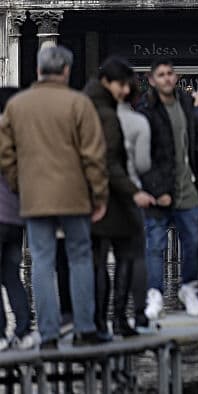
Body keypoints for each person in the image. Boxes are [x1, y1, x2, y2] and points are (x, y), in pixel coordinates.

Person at [0, 46, 108, 349]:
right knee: (80, 259)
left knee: (42, 263)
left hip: (34, 195)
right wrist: (98, 194)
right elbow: (93, 155)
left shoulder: (17, 106)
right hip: (74, 194)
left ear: (37, 70)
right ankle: (84, 328)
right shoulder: (79, 103)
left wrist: (18, 183)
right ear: (66, 71)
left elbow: (5, 153)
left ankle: (47, 333)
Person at [138, 59, 198, 320]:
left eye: (170, 74)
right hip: (159, 190)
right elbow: (144, 156)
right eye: (161, 74)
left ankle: (188, 287)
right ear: (151, 80)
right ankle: (155, 293)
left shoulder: (187, 106)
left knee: (193, 240)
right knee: (155, 244)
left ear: (177, 77)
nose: (167, 78)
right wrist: (154, 189)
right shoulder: (146, 110)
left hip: (188, 188)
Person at [86, 58, 154, 338]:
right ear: (108, 82)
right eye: (122, 85)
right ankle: (117, 319)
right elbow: (110, 161)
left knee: (97, 261)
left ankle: (99, 320)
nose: (126, 91)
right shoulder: (107, 114)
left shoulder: (85, 104)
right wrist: (133, 191)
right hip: (110, 196)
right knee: (125, 255)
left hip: (91, 194)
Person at [0, 88, 36, 351]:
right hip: (17, 218)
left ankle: (1, 334)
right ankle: (24, 330)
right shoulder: (26, 136)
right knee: (12, 274)